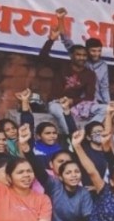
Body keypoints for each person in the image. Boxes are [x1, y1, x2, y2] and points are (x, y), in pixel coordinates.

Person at [41, 8, 103, 136]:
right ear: (72, 56)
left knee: (106, 109)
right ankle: (74, 136)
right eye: (78, 55)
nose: (81, 58)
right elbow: (43, 58)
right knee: (58, 111)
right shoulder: (62, 65)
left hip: (76, 106)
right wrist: (51, 40)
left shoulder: (89, 74)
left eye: (84, 55)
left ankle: (89, 132)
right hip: (56, 103)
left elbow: (90, 97)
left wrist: (72, 101)